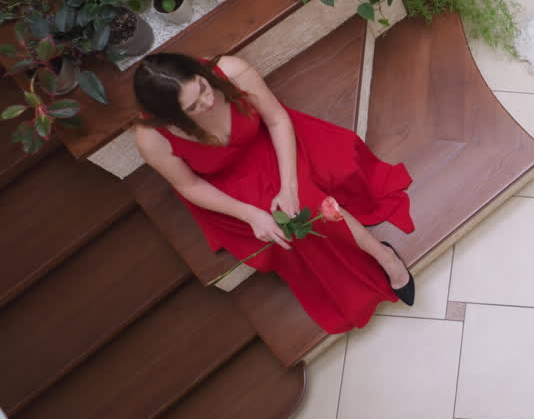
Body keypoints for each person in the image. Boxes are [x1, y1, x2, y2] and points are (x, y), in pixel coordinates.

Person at [133, 53, 416, 334]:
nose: (207, 102)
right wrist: (250, 214)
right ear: (170, 116)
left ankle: (384, 256)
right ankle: (355, 264)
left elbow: (278, 119)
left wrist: (289, 186)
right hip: (228, 186)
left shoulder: (231, 70)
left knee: (307, 201)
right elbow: (189, 186)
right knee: (284, 234)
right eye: (193, 107)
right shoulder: (152, 139)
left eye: (203, 88)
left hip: (270, 145)